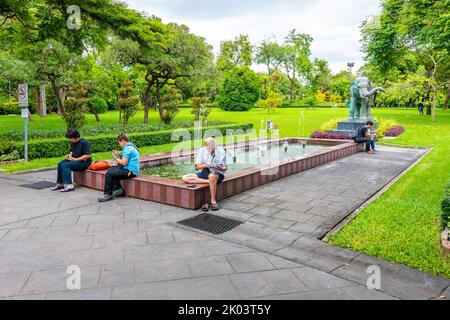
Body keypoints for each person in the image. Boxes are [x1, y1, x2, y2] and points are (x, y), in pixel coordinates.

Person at [182, 137, 228, 212]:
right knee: (185, 178)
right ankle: (211, 182)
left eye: (213, 146)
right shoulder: (202, 150)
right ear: (206, 146)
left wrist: (220, 167)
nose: (212, 148)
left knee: (212, 175)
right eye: (210, 146)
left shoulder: (221, 151)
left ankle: (213, 201)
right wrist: (207, 165)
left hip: (218, 173)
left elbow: (225, 168)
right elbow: (197, 167)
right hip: (205, 171)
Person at [98, 133, 140, 202]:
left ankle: (108, 194)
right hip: (130, 170)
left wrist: (116, 158)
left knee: (109, 173)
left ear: (123, 141)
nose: (120, 145)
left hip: (130, 172)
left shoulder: (128, 149)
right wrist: (120, 155)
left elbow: (124, 162)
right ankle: (118, 190)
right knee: (112, 170)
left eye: (119, 143)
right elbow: (127, 160)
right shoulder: (131, 146)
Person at [51, 128, 92, 192]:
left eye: (71, 138)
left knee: (65, 165)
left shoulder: (84, 142)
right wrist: (69, 156)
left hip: (84, 163)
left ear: (76, 137)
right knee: (60, 164)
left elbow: (88, 155)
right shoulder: (73, 142)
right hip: (76, 161)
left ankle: (69, 185)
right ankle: (60, 184)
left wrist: (76, 159)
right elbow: (73, 152)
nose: (70, 140)